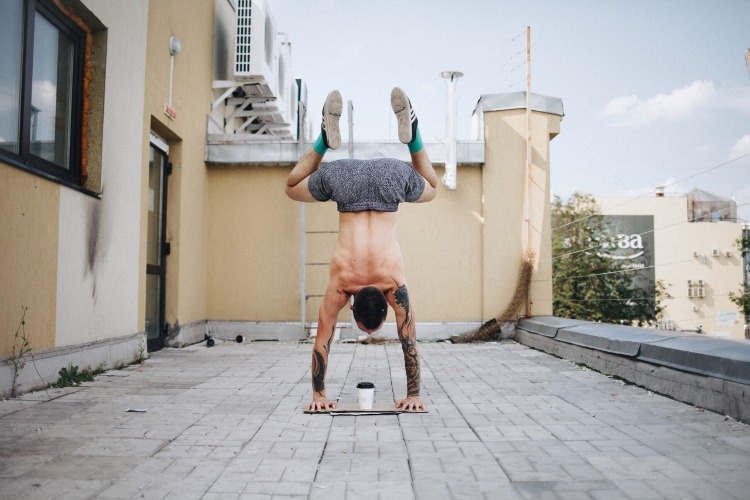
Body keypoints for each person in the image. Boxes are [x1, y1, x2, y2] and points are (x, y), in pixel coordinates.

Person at [285, 87, 438, 412]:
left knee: (433, 187)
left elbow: (408, 340)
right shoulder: (342, 287)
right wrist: (318, 397)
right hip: (351, 179)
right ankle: (327, 140)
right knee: (291, 187)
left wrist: (414, 395)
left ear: (385, 304)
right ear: (352, 307)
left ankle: (410, 135)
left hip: (381, 176)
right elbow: (322, 342)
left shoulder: (394, 286)